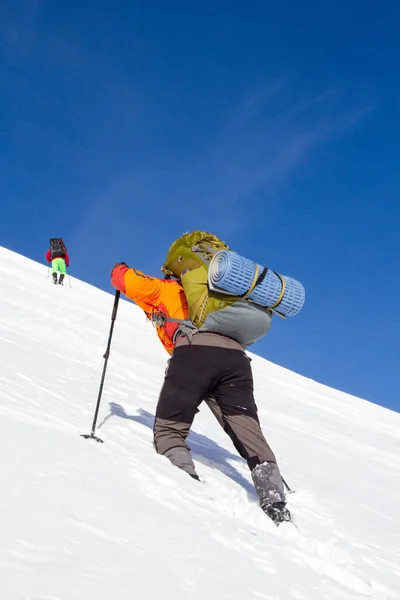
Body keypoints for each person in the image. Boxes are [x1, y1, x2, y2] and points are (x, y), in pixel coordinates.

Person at [111, 262, 291, 525]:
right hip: (236, 362)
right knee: (247, 430)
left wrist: (120, 268)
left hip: (194, 354)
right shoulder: (224, 298)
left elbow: (122, 279)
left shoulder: (166, 288)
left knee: (170, 430)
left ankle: (186, 485)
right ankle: (275, 501)